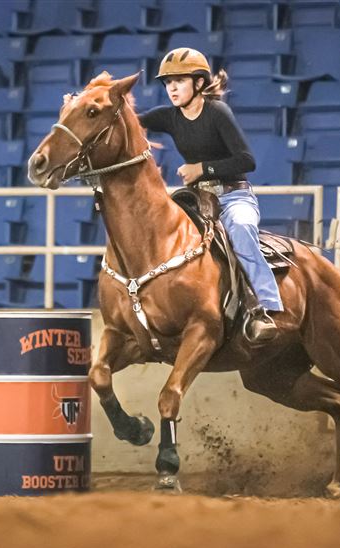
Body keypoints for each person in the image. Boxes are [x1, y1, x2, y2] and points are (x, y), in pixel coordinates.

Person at [137, 48, 283, 344]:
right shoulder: (169, 116)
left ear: (199, 83)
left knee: (241, 230)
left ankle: (265, 308)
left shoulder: (217, 113)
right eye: (168, 82)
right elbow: (129, 119)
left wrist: (201, 168)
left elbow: (247, 160)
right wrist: (81, 104)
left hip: (234, 197)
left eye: (179, 81)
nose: (172, 88)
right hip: (198, 200)